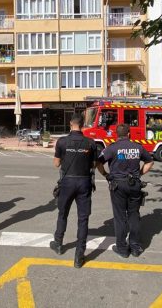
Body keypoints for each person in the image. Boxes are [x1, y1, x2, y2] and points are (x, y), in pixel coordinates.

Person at [97, 124, 154, 258]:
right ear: (128, 133)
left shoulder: (112, 148)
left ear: (117, 134)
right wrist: (139, 174)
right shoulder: (137, 147)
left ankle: (122, 248)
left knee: (120, 217)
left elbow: (98, 162)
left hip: (118, 185)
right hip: (134, 184)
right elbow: (150, 162)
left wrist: (106, 174)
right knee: (134, 215)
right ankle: (135, 247)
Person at [49, 113, 98, 268]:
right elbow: (94, 164)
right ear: (83, 124)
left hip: (67, 182)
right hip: (84, 182)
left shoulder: (62, 141)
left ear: (71, 123)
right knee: (83, 219)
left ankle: (58, 243)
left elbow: (56, 164)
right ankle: (79, 255)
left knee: (63, 213)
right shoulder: (90, 143)